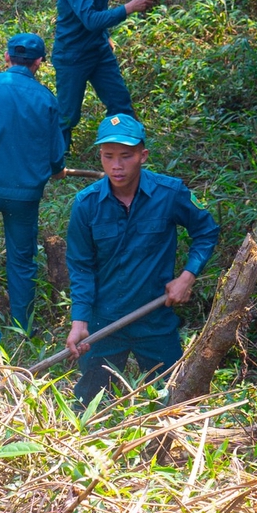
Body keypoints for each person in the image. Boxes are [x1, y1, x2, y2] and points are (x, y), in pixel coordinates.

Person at [63, 114, 219, 405]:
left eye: (126, 156)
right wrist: (80, 320)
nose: (116, 165)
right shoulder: (87, 205)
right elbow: (81, 267)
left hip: (155, 319)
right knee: (90, 406)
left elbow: (206, 231)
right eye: (108, 157)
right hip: (104, 323)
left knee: (174, 402)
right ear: (100, 156)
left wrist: (187, 276)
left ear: (142, 155)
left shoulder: (169, 193)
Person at [0, 33, 66, 334]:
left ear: (7, 57)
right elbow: (56, 154)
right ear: (39, 62)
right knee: (22, 260)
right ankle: (23, 327)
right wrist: (57, 169)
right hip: (25, 196)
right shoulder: (46, 99)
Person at [52, 0, 156, 149]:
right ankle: (56, 161)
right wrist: (129, 7)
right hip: (74, 55)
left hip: (97, 49)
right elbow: (90, 18)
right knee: (68, 115)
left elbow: (95, 10)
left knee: (120, 101)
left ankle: (128, 147)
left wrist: (105, 36)